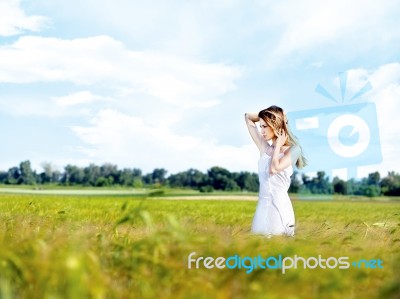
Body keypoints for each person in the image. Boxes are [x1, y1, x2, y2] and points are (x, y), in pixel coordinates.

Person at [245, 105, 306, 237]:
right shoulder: (264, 148)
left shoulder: (294, 150)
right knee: (258, 249)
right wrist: (278, 115)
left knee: (278, 249)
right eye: (260, 126)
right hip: (262, 207)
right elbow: (248, 117)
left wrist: (278, 145)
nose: (262, 131)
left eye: (264, 126)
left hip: (279, 207)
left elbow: (274, 169)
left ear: (275, 125)